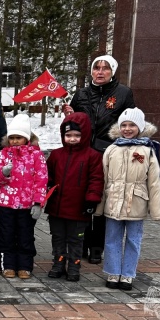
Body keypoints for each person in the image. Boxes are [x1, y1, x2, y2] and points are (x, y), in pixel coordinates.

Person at [63, 54, 136, 264]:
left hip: (110, 153)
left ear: (112, 71)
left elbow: (129, 124)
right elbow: (76, 124)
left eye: (105, 68)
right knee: (84, 198)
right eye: (97, 68)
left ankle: (97, 247)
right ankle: (83, 243)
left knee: (103, 203)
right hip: (84, 154)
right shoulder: (82, 94)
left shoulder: (123, 93)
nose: (100, 72)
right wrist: (69, 114)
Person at [97, 108, 160, 291]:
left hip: (137, 202)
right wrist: (99, 206)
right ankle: (113, 272)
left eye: (132, 125)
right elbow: (102, 178)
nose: (127, 129)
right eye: (124, 125)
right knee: (112, 239)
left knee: (133, 240)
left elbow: (154, 181)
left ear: (140, 127)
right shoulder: (111, 149)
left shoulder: (147, 150)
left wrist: (157, 210)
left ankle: (127, 274)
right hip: (113, 201)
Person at [44, 113, 104, 282]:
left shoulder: (92, 156)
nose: (72, 139)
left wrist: (92, 199)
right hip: (57, 207)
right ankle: (58, 263)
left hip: (79, 208)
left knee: (76, 240)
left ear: (84, 135)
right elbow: (48, 176)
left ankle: (74, 266)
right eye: (68, 135)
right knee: (58, 238)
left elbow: (96, 179)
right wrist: (46, 188)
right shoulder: (56, 155)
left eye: (77, 136)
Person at [0, 114, 48, 279]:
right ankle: (7, 264)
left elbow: (41, 179)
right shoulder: (3, 155)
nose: (15, 141)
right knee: (6, 234)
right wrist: (3, 172)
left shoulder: (36, 155)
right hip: (6, 205)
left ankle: (24, 265)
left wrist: (38, 203)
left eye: (19, 138)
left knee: (25, 235)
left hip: (26, 205)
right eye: (12, 138)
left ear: (27, 138)